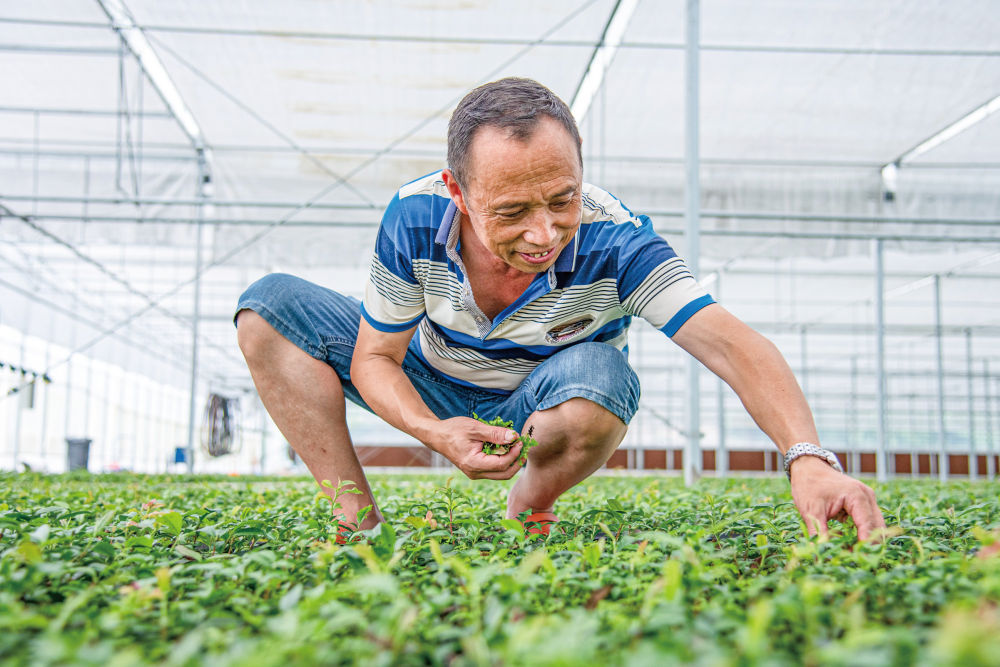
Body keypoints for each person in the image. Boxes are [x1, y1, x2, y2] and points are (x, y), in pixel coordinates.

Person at [235, 77, 885, 541]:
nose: (544, 234)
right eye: (512, 211)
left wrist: (809, 458)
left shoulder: (618, 238)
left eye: (562, 199)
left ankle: (531, 500)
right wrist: (434, 432)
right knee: (270, 310)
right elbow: (376, 357)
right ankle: (359, 522)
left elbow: (732, 344)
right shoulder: (413, 217)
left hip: (543, 397)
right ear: (457, 192)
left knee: (604, 381)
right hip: (429, 378)